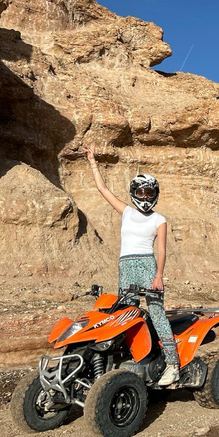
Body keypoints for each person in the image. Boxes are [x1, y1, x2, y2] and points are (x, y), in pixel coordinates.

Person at [83, 143, 180, 386]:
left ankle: (173, 365)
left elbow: (162, 250)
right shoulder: (126, 212)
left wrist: (158, 276)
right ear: (134, 193)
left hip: (148, 266)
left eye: (149, 193)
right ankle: (129, 362)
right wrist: (92, 161)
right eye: (141, 193)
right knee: (124, 316)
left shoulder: (160, 219)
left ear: (155, 194)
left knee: (157, 314)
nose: (145, 198)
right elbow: (102, 188)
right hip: (125, 267)